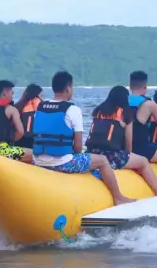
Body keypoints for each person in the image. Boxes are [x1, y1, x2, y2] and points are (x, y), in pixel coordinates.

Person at [33, 71, 135, 205]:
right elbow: (78, 147)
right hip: (62, 163)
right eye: (72, 87)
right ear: (68, 88)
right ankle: (118, 197)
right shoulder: (72, 109)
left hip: (38, 160)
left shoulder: (40, 107)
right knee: (103, 160)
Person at [86, 86, 157, 196]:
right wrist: (129, 157)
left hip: (91, 153)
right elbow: (128, 143)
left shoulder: (98, 111)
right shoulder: (125, 114)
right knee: (143, 161)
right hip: (110, 156)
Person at [0, 80, 32, 163]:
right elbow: (20, 132)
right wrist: (11, 139)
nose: (12, 96)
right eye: (12, 93)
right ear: (5, 92)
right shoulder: (11, 109)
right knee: (34, 154)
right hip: (2, 150)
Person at [14, 83, 43, 148]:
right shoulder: (40, 106)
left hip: (17, 141)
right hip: (33, 142)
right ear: (36, 96)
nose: (42, 98)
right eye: (41, 95)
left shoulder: (17, 106)